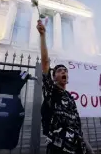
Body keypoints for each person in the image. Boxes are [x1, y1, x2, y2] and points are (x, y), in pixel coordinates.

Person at [36, 20, 95, 154]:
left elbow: (77, 128)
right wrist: (43, 36)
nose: (63, 72)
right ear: (54, 77)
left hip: (77, 149)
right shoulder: (51, 91)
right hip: (58, 149)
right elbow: (45, 63)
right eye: (59, 71)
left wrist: (89, 150)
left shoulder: (70, 98)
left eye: (65, 71)